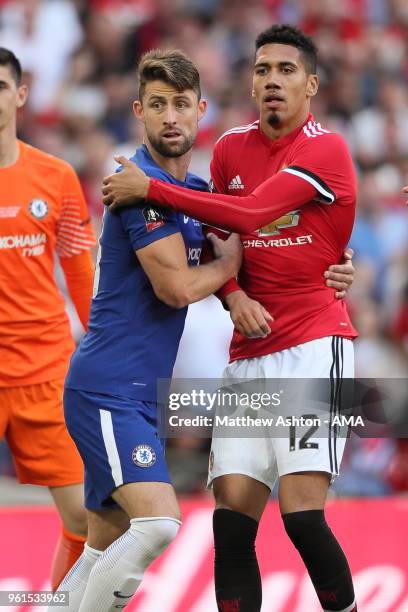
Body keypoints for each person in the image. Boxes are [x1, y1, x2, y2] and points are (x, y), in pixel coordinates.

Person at [102, 25, 359, 612]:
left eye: (287, 70)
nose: (272, 80)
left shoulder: (327, 148)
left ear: (311, 84)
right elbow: (219, 238)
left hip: (318, 345)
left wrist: (155, 189)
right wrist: (233, 296)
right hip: (247, 354)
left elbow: (253, 211)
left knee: (301, 516)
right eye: (263, 68)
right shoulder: (230, 150)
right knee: (231, 524)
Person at [48, 49, 243, 612]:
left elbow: (258, 231)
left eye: (182, 104)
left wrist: (333, 260)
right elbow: (177, 289)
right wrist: (227, 268)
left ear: (201, 110)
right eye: (158, 105)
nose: (171, 117)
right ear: (139, 111)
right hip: (109, 387)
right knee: (158, 523)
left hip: (132, 394)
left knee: (101, 545)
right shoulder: (135, 188)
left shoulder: (192, 192)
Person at [0, 48, 95, 590]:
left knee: (84, 519)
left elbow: (80, 274)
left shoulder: (55, 177)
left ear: (20, 93)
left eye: (0, 84)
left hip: (45, 371)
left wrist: (100, 354)